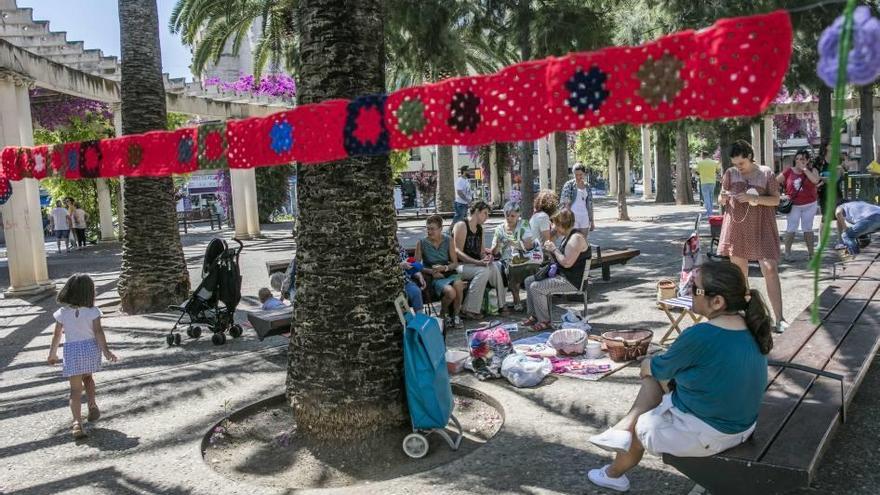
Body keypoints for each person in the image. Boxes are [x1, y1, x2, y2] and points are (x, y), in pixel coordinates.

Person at [586, 261, 772, 493]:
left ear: (717, 301)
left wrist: (646, 363)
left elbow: (658, 369)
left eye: (694, 288)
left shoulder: (701, 334)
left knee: (648, 387)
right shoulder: (750, 325)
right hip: (742, 426)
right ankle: (621, 430)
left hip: (712, 434)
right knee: (657, 374)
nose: (688, 291)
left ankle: (614, 469)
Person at [717, 140, 787, 334]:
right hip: (737, 226)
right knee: (741, 274)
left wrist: (752, 198)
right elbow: (721, 197)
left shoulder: (766, 173)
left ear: (749, 156)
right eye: (735, 163)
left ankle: (780, 318)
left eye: (741, 163)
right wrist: (722, 198)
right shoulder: (730, 174)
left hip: (762, 225)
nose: (738, 167)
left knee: (770, 268)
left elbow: (775, 200)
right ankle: (750, 317)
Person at [47, 274, 118, 439]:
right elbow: (98, 332)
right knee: (88, 378)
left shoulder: (62, 313)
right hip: (90, 350)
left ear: (68, 291)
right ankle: (92, 405)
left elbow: (57, 335)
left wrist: (52, 354)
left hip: (72, 352)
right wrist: (106, 351)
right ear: (90, 293)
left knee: (75, 390)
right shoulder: (93, 311)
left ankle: (77, 423)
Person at [521, 210, 590, 332]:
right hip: (563, 275)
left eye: (555, 224)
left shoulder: (576, 238)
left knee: (536, 287)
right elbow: (560, 261)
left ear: (562, 225)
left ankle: (544, 321)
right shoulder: (567, 236)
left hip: (572, 280)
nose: (553, 227)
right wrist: (551, 250)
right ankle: (534, 316)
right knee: (528, 281)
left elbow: (567, 263)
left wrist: (554, 249)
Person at [453, 201, 506, 318]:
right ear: (476, 211)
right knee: (483, 271)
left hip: (473, 265)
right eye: (485, 213)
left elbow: (481, 252)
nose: (487, 217)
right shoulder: (461, 225)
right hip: (459, 266)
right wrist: (478, 262)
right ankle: (468, 309)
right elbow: (457, 252)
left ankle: (502, 305)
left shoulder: (480, 229)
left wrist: (487, 258)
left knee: (494, 267)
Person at [415, 215, 465, 328]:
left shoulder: (448, 240)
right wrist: (431, 271)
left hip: (448, 272)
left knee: (458, 285)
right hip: (434, 276)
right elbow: (417, 265)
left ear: (440, 229)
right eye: (428, 228)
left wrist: (445, 268)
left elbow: (455, 263)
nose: (429, 231)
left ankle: (456, 316)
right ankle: (443, 313)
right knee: (450, 292)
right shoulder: (421, 243)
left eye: (432, 229)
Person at [776, 149, 820, 261]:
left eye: (802, 159)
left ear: (808, 160)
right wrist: (780, 196)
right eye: (797, 159)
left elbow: (815, 180)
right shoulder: (789, 171)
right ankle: (787, 254)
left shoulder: (812, 170)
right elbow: (775, 181)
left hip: (810, 204)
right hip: (794, 205)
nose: (799, 161)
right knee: (791, 228)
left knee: (808, 228)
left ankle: (811, 254)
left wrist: (804, 169)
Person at [491, 201, 535, 312]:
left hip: (525, 257)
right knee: (512, 268)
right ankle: (517, 299)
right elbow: (494, 252)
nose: (509, 218)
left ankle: (533, 299)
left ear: (518, 215)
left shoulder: (524, 224)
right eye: (507, 215)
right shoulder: (499, 229)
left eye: (512, 216)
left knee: (531, 268)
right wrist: (497, 245)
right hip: (507, 260)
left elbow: (529, 245)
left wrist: (514, 243)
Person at [560, 163, 596, 236]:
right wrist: (567, 219)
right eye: (576, 175)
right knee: (572, 240)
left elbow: (590, 204)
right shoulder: (569, 185)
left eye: (580, 174)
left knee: (583, 241)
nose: (578, 177)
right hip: (573, 217)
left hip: (584, 216)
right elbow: (564, 201)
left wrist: (592, 221)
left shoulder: (587, 186)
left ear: (584, 174)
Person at [399, 246, 426, 313]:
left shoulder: (400, 249)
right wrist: (400, 265)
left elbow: (410, 266)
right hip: (389, 284)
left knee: (416, 291)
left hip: (405, 281)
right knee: (401, 297)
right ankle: (406, 321)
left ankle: (420, 318)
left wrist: (419, 275)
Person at [694, 152, 721, 218]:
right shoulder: (714, 162)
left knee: (706, 198)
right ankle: (710, 211)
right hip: (712, 181)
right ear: (708, 155)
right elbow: (718, 171)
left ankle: (709, 213)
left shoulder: (700, 163)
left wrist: (700, 174)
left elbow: (696, 172)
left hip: (704, 182)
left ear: (703, 156)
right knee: (711, 197)